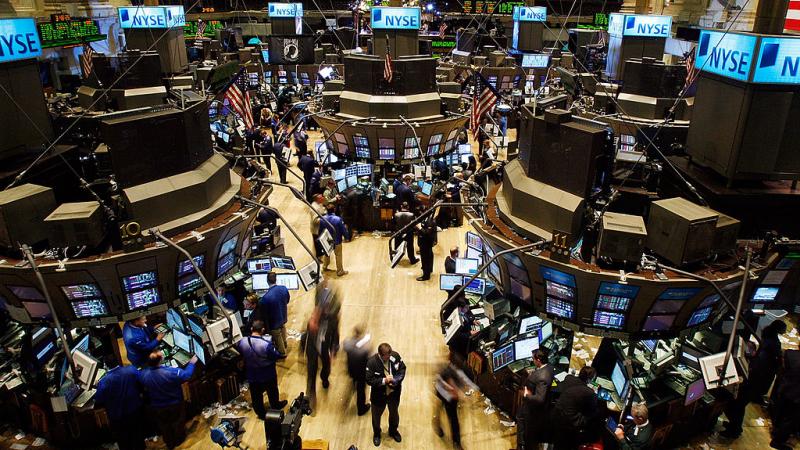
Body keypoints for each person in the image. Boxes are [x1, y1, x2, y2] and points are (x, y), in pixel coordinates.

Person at [721, 319, 788, 439]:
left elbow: (758, 367)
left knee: (738, 405)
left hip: (754, 383)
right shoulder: (773, 344)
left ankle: (734, 430)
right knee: (738, 405)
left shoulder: (768, 343)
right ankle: (734, 426)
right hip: (760, 383)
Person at [138, 351, 197, 449]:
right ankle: (179, 441)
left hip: (158, 406)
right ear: (161, 360)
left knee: (164, 425)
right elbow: (187, 375)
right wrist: (191, 363)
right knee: (177, 422)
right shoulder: (171, 372)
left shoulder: (143, 374)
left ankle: (170, 443)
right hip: (174, 403)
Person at [237, 320, 287, 419]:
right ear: (263, 330)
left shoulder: (242, 341)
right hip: (267, 373)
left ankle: (260, 413)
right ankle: (275, 405)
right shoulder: (266, 344)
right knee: (272, 391)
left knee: (256, 395)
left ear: (252, 329)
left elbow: (240, 352)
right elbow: (276, 356)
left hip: (252, 374)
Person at [95, 355, 145, 450]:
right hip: (135, 410)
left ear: (105, 365)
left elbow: (99, 399)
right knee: (138, 435)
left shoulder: (104, 382)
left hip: (118, 417)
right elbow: (142, 379)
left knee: (124, 441)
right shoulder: (131, 370)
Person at [305, 282, 341, 409]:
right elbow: (305, 338)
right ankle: (311, 397)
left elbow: (336, 337)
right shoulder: (311, 322)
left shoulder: (332, 320)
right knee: (311, 374)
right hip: (312, 351)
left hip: (325, 349)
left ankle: (324, 379)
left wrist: (334, 352)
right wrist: (301, 351)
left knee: (326, 368)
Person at [366, 343, 406, 447]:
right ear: (380, 354)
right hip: (378, 396)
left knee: (394, 414)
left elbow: (402, 369)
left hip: (393, 394)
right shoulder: (372, 362)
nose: (389, 357)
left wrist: (396, 380)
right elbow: (369, 380)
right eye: (386, 356)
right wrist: (384, 380)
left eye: (389, 355)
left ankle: (393, 431)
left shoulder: (395, 356)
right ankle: (377, 434)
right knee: (376, 417)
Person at [551, 366, 601, 449]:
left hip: (557, 414)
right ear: (589, 380)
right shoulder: (589, 393)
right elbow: (592, 411)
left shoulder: (568, 378)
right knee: (596, 416)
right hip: (570, 422)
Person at [517, 348, 555, 450]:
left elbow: (540, 399)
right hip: (541, 406)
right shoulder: (550, 367)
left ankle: (522, 444)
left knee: (521, 418)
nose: (532, 360)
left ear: (538, 360)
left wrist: (526, 395)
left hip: (532, 408)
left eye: (533, 359)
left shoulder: (542, 377)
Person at [770, 342, 800, 450]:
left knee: (780, 413)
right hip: (797, 397)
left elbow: (782, 370)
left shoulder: (789, 354)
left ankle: (775, 432)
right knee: (790, 420)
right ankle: (777, 441)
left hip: (785, 389)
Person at [433, 363, 469, 450]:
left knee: (451, 417)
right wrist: (455, 394)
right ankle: (456, 443)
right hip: (445, 396)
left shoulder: (456, 373)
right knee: (453, 420)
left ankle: (456, 442)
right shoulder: (445, 377)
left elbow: (463, 383)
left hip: (449, 396)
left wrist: (460, 392)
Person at [258, 272, 290, 356]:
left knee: (277, 335)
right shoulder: (284, 288)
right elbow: (287, 300)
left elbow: (265, 314)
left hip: (274, 322)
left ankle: (282, 353)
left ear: (267, 281)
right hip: (283, 316)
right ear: (276, 279)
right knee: (282, 329)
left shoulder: (265, 298)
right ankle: (284, 343)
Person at [343, 325, 372, 416]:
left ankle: (347, 399)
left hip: (351, 369)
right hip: (361, 372)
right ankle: (361, 408)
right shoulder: (365, 348)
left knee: (354, 383)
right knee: (361, 390)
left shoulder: (347, 343)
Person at [321, 204, 350, 276]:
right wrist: (347, 237)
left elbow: (321, 230)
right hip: (337, 240)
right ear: (334, 209)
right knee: (338, 255)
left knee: (326, 254)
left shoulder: (322, 219)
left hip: (326, 240)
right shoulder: (338, 219)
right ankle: (340, 271)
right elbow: (343, 230)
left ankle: (324, 267)